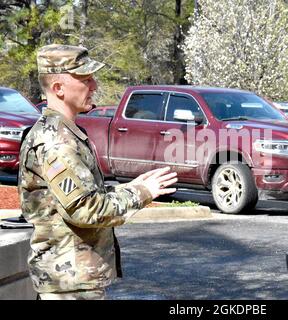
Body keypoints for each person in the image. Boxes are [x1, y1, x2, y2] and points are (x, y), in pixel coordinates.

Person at [18, 44, 178, 300]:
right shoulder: (56, 142)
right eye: (85, 78)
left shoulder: (62, 133)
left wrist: (129, 188)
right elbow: (85, 209)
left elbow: (83, 197)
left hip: (72, 281)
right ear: (59, 88)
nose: (94, 85)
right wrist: (140, 193)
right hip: (69, 284)